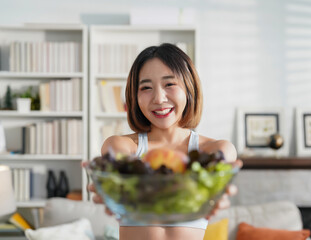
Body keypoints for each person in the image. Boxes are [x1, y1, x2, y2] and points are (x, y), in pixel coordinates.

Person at [88, 43, 241, 240]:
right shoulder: (120, 146)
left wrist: (217, 195)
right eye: (146, 87)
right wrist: (108, 187)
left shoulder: (217, 149)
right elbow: (122, 187)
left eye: (169, 84)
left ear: (189, 87)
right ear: (134, 97)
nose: (159, 99)